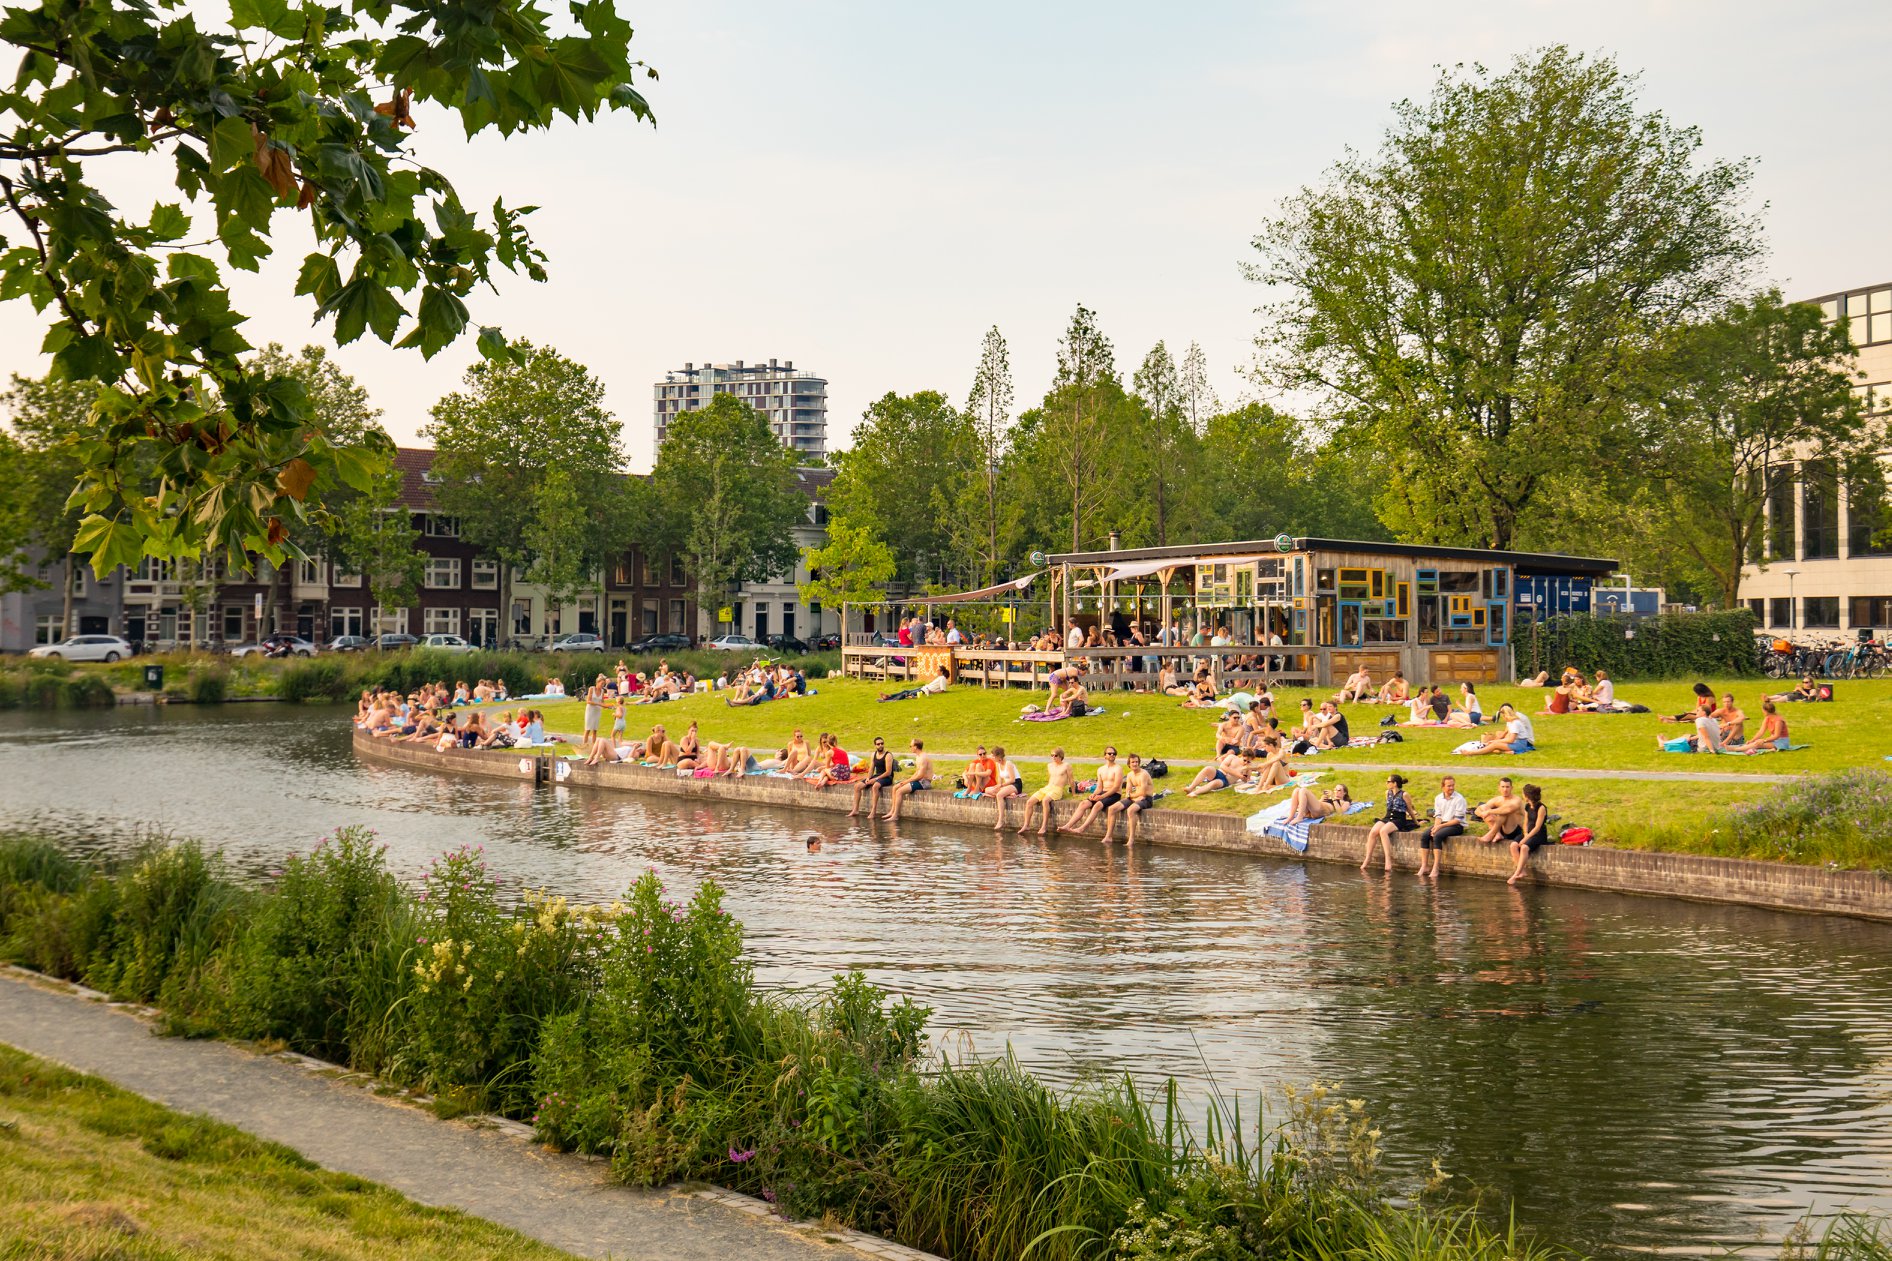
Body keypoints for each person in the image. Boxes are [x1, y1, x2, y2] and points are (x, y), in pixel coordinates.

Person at [1059, 747, 1125, 835]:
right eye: (1110, 753)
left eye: (1114, 753)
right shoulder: (1100, 770)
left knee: (1097, 805)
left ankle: (1082, 828)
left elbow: (1116, 787)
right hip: (1103, 792)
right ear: (1105, 756)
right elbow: (1099, 788)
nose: (1112, 755)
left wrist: (1101, 797)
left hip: (1114, 794)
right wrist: (1093, 795)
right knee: (1083, 803)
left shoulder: (1118, 768)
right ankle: (1068, 826)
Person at [1360, 774, 1416, 872]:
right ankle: (1367, 858)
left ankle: (1388, 860)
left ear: (1394, 784)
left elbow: (1410, 810)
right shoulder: (1387, 793)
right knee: (1373, 832)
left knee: (1383, 831)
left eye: (1388, 782)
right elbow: (1389, 807)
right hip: (1387, 817)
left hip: (1399, 819)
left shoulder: (1404, 794)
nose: (1387, 783)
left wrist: (1416, 822)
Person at [1018, 748, 1076, 835]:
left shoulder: (1066, 766)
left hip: (1058, 789)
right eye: (1051, 755)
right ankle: (1026, 825)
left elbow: (1071, 780)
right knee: (1029, 802)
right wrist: (1047, 788)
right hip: (1048, 788)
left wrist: (1074, 793)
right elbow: (1051, 778)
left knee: (1045, 800)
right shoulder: (1050, 765)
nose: (1053, 757)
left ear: (1061, 756)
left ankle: (1044, 826)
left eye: (1055, 755)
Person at [1105, 753, 1159, 844]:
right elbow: (1127, 792)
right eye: (1133, 762)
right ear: (1129, 764)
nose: (1135, 764)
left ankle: (1131, 839)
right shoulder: (1130, 775)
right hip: (1135, 797)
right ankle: (1108, 836)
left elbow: (1143, 793)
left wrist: (1131, 796)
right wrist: (1132, 796)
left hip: (1146, 799)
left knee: (1130, 810)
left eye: (1137, 762)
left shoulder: (1143, 774)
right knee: (1111, 809)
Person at [1420, 776, 1470, 872]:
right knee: (1425, 835)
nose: (1451, 788)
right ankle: (1424, 866)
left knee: (1437, 836)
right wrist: (1435, 827)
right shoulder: (1438, 798)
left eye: (1453, 785)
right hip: (1442, 823)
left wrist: (1440, 827)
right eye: (1449, 786)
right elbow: (1438, 815)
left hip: (1456, 825)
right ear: (1443, 787)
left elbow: (1457, 820)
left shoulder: (1459, 799)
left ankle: (1435, 867)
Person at [1508, 784, 1551, 885]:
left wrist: (1525, 838)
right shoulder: (1527, 806)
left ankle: (1516, 874)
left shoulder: (1541, 808)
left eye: (1523, 794)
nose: (1522, 795)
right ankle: (1522, 871)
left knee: (1524, 847)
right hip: (1528, 833)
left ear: (1527, 796)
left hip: (1538, 834)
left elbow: (1537, 827)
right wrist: (1525, 833)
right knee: (1513, 845)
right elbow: (1526, 822)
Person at [881, 739, 933, 821]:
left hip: (924, 782)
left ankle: (895, 815)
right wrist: (908, 780)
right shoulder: (918, 756)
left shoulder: (923, 758)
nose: (910, 748)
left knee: (899, 791)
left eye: (911, 746)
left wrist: (907, 781)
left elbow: (921, 775)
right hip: (918, 780)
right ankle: (892, 811)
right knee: (895, 787)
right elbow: (917, 772)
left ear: (915, 747)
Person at [1472, 777, 1526, 854]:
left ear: (1511, 788)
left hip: (1514, 830)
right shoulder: (1497, 799)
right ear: (1499, 788)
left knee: (1504, 812)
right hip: (1500, 829)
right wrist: (1483, 813)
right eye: (1503, 787)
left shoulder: (1516, 800)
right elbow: (1477, 810)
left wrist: (1489, 811)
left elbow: (1508, 809)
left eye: (1507, 787)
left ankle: (1491, 834)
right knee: (1484, 807)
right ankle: (1497, 833)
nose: (1505, 789)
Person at [1457, 704, 1534, 755]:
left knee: (1494, 745)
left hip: (1520, 744)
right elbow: (1507, 735)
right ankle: (1505, 751)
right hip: (1517, 743)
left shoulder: (1515, 723)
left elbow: (1510, 740)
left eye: (1503, 716)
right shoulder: (1511, 722)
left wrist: (1495, 741)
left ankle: (1472, 753)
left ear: (1505, 715)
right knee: (1494, 744)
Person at [848, 737, 896, 817]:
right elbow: (871, 769)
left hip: (887, 777)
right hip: (877, 776)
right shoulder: (873, 754)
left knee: (875, 786)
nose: (880, 745)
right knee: (857, 786)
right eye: (878, 744)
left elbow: (888, 772)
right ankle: (855, 810)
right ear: (875, 745)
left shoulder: (888, 755)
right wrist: (868, 778)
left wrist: (875, 779)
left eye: (882, 743)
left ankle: (873, 811)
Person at [1185, 749, 1250, 797]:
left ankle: (1195, 793)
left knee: (1215, 783)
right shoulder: (1232, 757)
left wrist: (1244, 773)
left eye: (1248, 761)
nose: (1246, 762)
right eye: (1245, 760)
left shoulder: (1248, 767)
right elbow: (1222, 766)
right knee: (1208, 768)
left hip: (1225, 781)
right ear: (1241, 756)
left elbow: (1246, 780)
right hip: (1219, 773)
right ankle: (1191, 788)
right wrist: (1238, 775)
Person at [987, 746, 1025, 828]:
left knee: (999, 795)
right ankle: (1009, 794)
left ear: (998, 756)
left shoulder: (1009, 764)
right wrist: (998, 786)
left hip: (1016, 784)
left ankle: (1001, 820)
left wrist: (1000, 786)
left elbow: (1012, 779)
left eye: (993, 756)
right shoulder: (998, 764)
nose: (992, 757)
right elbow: (1000, 779)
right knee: (987, 790)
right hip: (1007, 785)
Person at [879, 668, 948, 702]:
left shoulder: (942, 678)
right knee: (905, 691)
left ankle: (889, 699)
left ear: (941, 672)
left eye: (938, 670)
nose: (937, 671)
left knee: (906, 694)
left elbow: (942, 691)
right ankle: (889, 696)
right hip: (924, 688)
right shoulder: (940, 678)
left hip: (925, 691)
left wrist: (931, 692)